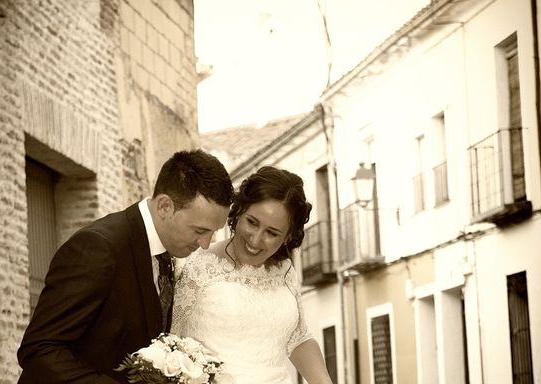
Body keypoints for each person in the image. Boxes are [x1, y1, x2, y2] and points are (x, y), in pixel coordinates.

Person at [17, 149, 234, 384]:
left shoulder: (167, 253)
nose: (205, 244)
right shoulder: (97, 247)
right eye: (200, 231)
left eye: (213, 232)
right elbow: (39, 349)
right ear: (164, 207)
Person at [171, 166, 334, 384]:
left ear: (288, 237)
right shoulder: (195, 265)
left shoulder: (284, 271)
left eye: (272, 233)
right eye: (252, 222)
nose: (255, 240)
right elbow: (170, 341)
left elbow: (299, 338)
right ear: (239, 211)